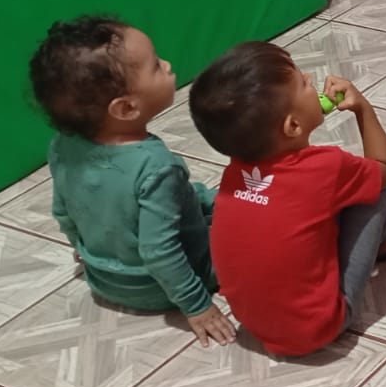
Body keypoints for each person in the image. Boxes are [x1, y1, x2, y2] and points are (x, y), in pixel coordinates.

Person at [189, 42, 386, 357]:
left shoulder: (234, 174)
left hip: (252, 323)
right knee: (375, 199)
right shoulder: (327, 167)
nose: (310, 78)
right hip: (317, 328)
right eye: (303, 83)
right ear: (293, 126)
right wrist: (363, 108)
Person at [27, 18, 235, 347]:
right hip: (157, 286)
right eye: (156, 66)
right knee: (252, 230)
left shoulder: (62, 145)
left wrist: (83, 250)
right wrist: (197, 306)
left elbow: (64, 212)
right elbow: (160, 251)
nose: (167, 64)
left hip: (102, 279)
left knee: (193, 197)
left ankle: (210, 204)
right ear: (126, 108)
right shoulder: (156, 166)